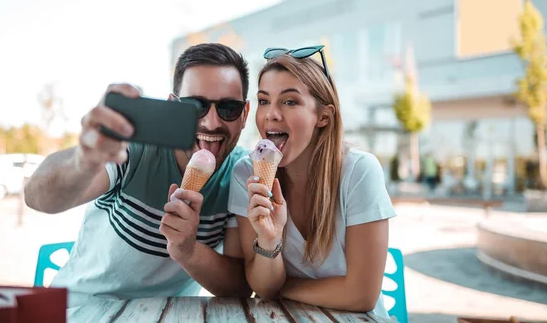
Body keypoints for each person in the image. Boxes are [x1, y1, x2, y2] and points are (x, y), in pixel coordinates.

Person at [24, 43, 253, 306]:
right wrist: (84, 160)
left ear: (245, 114)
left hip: (171, 315)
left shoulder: (239, 174)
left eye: (228, 108)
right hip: (80, 308)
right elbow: (37, 197)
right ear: (172, 107)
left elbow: (238, 288)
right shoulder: (133, 149)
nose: (211, 122)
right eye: (196, 105)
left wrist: (188, 251)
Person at [228, 47, 396, 317]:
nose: (271, 114)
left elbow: (362, 295)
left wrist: (282, 288)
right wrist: (269, 240)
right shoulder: (246, 175)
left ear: (323, 117)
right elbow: (261, 286)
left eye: (290, 101)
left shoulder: (360, 171)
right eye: (263, 100)